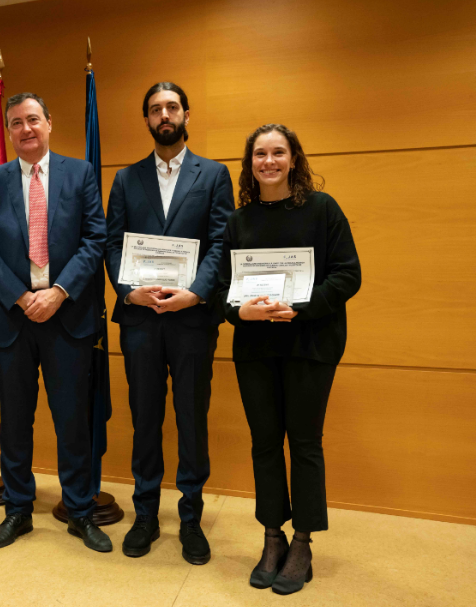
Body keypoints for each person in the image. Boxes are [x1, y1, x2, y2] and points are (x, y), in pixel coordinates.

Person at [216, 124, 361, 594]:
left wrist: (298, 307)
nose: (269, 161)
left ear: (294, 158)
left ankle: (302, 541)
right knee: (263, 444)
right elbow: (220, 289)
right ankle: (272, 536)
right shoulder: (238, 221)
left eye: (279, 152)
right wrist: (241, 310)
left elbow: (348, 275)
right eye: (260, 154)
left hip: (310, 345)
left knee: (304, 443)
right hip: (256, 348)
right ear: (250, 163)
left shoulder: (322, 209)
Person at [0, 93, 111, 552]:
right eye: (16, 123)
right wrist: (21, 296)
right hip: (13, 318)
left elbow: (95, 238)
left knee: (73, 421)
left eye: (33, 120)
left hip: (67, 314)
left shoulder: (81, 173)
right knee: (15, 422)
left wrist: (59, 292)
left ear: (49, 123)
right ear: (7, 132)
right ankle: (17, 510)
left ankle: (80, 512)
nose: (26, 129)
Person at [105, 82, 234, 562]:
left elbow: (221, 242)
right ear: (146, 119)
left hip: (192, 320)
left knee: (191, 419)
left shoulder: (214, 175)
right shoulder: (125, 178)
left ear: (186, 114)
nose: (165, 114)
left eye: (172, 107)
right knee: (144, 419)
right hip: (139, 318)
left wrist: (196, 292)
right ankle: (144, 515)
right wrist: (127, 290)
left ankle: (191, 518)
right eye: (156, 108)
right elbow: (113, 243)